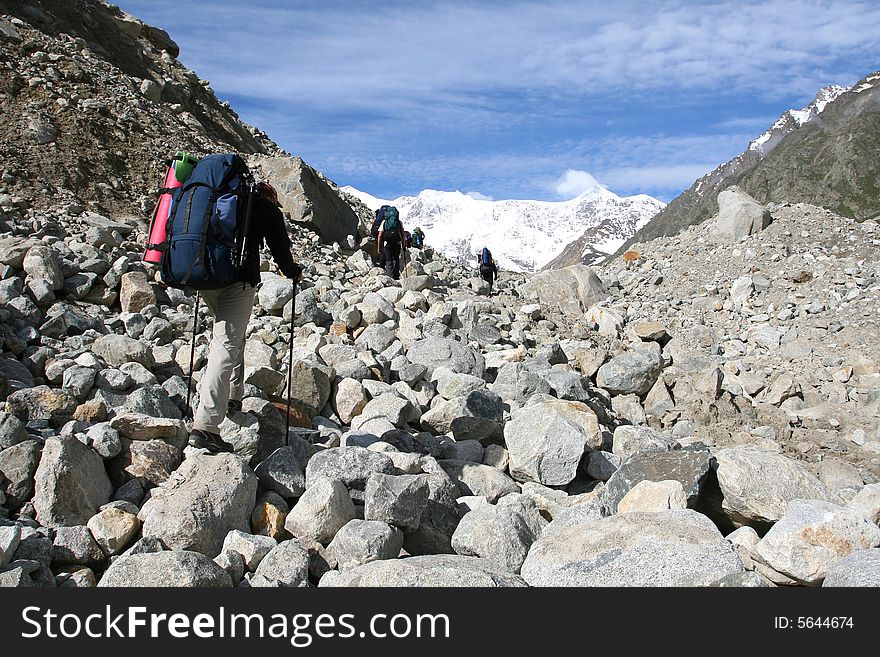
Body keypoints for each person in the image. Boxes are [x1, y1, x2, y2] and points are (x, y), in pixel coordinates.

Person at [188, 181, 302, 453]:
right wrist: (292, 270)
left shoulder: (216, 199)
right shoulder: (263, 205)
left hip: (206, 278)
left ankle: (234, 396)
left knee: (230, 335)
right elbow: (280, 247)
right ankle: (206, 426)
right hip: (238, 282)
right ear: (272, 196)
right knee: (225, 345)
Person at [377, 205, 405, 280]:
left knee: (389, 261)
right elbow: (403, 234)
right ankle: (396, 277)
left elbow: (379, 236)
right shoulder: (399, 222)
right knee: (396, 259)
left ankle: (390, 278)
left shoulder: (384, 222)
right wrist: (404, 245)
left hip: (387, 243)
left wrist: (379, 247)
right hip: (397, 243)